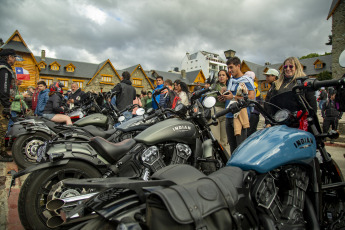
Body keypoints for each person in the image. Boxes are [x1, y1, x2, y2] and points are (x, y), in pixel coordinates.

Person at [265, 57, 317, 129]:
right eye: (285, 66)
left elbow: (312, 104)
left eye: (291, 66)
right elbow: (270, 104)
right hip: (281, 121)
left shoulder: (304, 82)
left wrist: (311, 121)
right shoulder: (277, 84)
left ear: (296, 67)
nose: (288, 69)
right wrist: (268, 122)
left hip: (300, 121)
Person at [218, 57, 255, 153]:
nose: (229, 70)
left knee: (241, 147)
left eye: (231, 67)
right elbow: (230, 96)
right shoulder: (231, 80)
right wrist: (224, 96)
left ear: (238, 66)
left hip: (240, 117)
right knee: (232, 147)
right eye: (228, 68)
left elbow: (251, 97)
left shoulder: (246, 80)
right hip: (229, 115)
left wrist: (233, 97)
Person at [0, 49, 18, 162]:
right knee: (1, 128)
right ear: (9, 57)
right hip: (1, 103)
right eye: (14, 57)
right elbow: (4, 89)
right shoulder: (4, 69)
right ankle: (1, 153)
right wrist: (6, 106)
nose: (15, 59)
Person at [208, 70, 230, 152]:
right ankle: (216, 156)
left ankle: (224, 157)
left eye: (223, 75)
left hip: (226, 111)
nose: (221, 76)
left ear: (227, 77)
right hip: (216, 111)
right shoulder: (215, 85)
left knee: (225, 139)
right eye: (220, 75)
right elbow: (209, 95)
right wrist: (218, 94)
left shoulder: (230, 86)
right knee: (215, 138)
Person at [245, 71, 263, 136]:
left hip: (250, 113)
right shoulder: (256, 87)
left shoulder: (248, 86)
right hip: (256, 113)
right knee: (253, 133)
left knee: (247, 134)